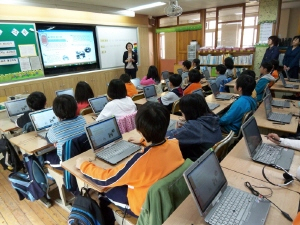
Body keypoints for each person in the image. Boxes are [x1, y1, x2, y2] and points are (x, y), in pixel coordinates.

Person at [76, 102, 184, 225]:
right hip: (166, 196)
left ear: (138, 129)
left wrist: (83, 165)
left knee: (103, 192)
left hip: (144, 207)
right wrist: (145, 141)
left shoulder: (140, 161)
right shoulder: (174, 143)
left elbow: (106, 179)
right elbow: (159, 145)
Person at [166, 94, 222, 161]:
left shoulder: (193, 127)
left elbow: (167, 137)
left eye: (182, 111)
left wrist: (177, 129)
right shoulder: (212, 117)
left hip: (197, 161)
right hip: (209, 156)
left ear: (188, 112)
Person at [45, 94, 86, 166]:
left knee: (46, 156)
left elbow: (48, 139)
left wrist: (57, 141)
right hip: (83, 156)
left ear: (55, 112)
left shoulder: (55, 128)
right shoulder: (82, 119)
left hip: (66, 162)